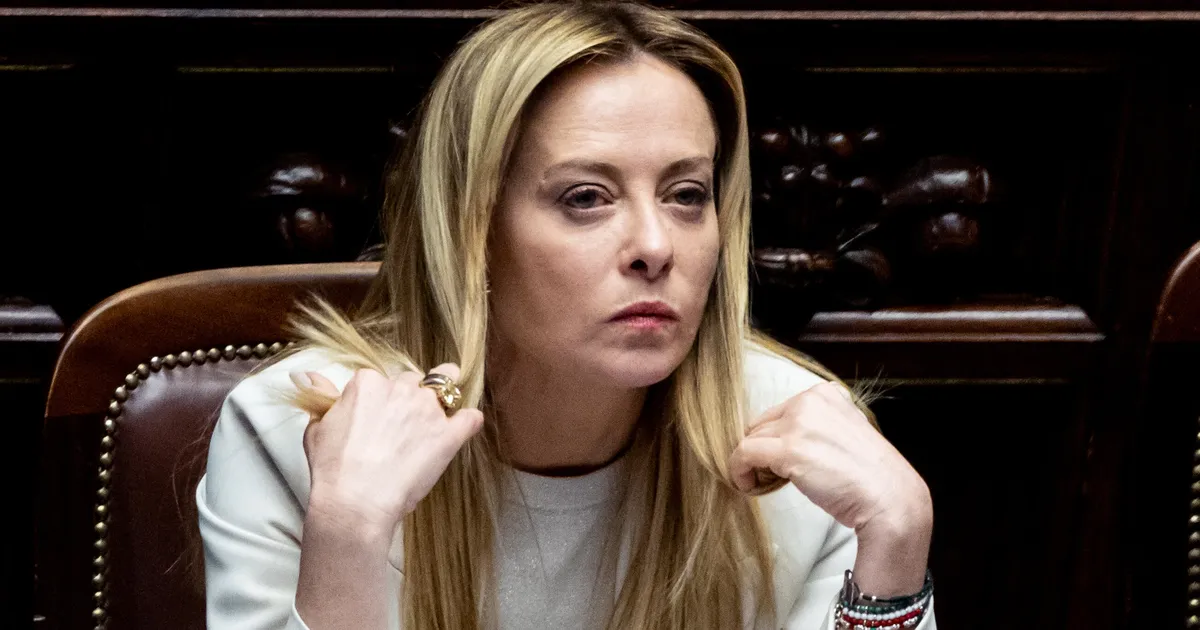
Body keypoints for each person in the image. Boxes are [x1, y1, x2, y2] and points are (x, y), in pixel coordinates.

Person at [196, 2, 937, 629]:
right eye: (586, 198)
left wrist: (896, 548)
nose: (656, 246)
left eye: (686, 195)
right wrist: (350, 533)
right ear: (472, 231)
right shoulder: (298, 431)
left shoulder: (798, 444)